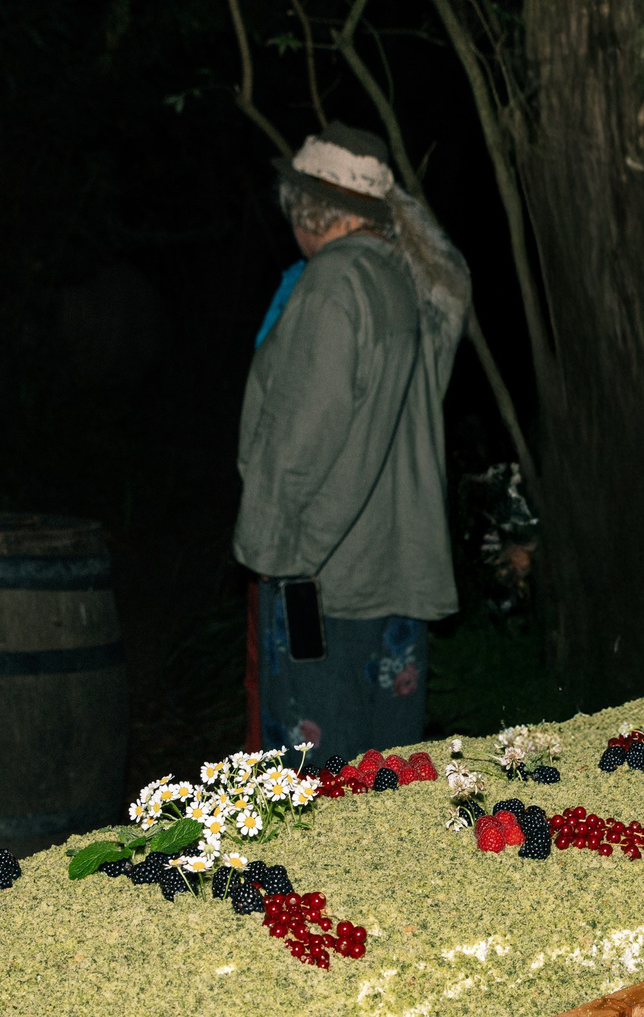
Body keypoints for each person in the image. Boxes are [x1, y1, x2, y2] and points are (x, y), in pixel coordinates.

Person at [236, 124, 468, 762]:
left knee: (320, 776)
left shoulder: (335, 286)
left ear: (304, 207)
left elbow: (297, 444)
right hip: (396, 573)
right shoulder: (409, 277)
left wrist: (266, 556)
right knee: (384, 773)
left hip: (322, 581)